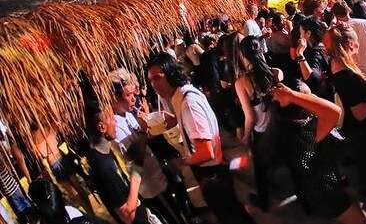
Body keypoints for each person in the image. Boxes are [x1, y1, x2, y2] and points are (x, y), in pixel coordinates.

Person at [146, 53, 255, 224]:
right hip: (216, 170)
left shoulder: (188, 104)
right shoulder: (184, 94)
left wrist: (182, 162)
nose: (154, 85)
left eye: (157, 78)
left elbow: (206, 152)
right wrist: (175, 120)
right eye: (151, 80)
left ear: (171, 73)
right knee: (235, 214)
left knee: (231, 217)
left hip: (212, 175)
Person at [271, 80, 366, 223]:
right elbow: (334, 112)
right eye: (309, 97)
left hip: (312, 189)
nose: (314, 97)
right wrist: (292, 95)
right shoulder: (306, 133)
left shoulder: (284, 128)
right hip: (324, 192)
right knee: (359, 220)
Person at [109, 70, 187, 224]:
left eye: (133, 93)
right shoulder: (115, 126)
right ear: (115, 98)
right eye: (128, 94)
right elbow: (133, 159)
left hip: (158, 175)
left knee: (179, 211)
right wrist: (145, 132)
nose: (134, 97)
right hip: (151, 187)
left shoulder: (129, 114)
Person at [325, 23, 366, 208]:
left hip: (349, 128)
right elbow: (361, 113)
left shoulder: (334, 64)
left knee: (363, 163)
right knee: (365, 164)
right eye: (357, 41)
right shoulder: (348, 76)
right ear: (349, 44)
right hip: (358, 129)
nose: (359, 45)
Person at [235, 36, 280, 212]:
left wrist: (246, 136)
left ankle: (264, 201)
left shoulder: (242, 82)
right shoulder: (275, 73)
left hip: (262, 132)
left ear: (243, 55)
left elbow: (250, 117)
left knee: (260, 169)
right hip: (279, 125)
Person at [85, 107, 151, 224]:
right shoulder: (103, 167)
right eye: (111, 118)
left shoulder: (105, 151)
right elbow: (127, 215)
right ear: (102, 127)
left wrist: (143, 133)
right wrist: (136, 176)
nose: (115, 122)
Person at [331, 2, 366, 81]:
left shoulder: (337, 32)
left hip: (355, 74)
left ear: (335, 15)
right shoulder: (365, 23)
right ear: (348, 9)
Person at [291, 16, 333, 100]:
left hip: (323, 97)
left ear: (308, 33)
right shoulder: (319, 46)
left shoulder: (316, 52)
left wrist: (300, 54)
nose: (300, 36)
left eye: (301, 33)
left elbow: (313, 80)